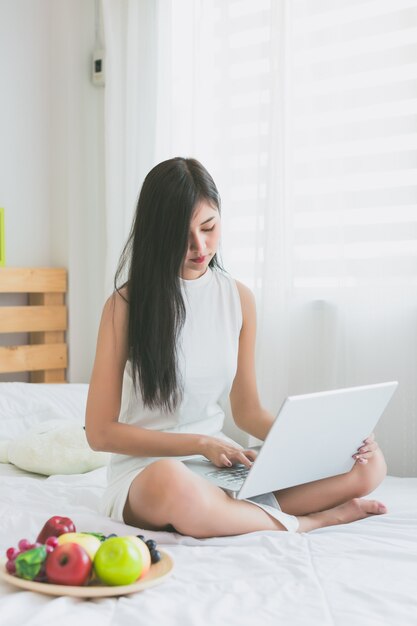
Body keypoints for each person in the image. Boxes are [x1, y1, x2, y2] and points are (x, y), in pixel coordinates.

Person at [85, 156, 388, 537]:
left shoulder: (237, 298)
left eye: (209, 227)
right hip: (149, 475)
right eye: (183, 234)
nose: (200, 246)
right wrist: (198, 443)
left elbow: (247, 412)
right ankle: (310, 520)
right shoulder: (124, 308)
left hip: (221, 466)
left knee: (369, 465)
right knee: (171, 481)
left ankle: (231, 512)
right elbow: (99, 433)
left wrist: (325, 441)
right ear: (157, 234)